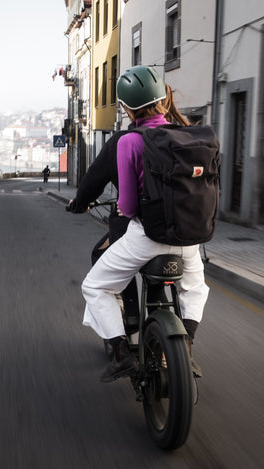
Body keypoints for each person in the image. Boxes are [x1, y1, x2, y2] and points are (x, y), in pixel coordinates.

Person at [81, 65, 209, 382]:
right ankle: (186, 349)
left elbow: (126, 206)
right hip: (189, 237)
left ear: (126, 107)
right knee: (195, 288)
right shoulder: (187, 133)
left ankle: (122, 354)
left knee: (94, 286)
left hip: (147, 237)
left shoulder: (130, 141)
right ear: (162, 98)